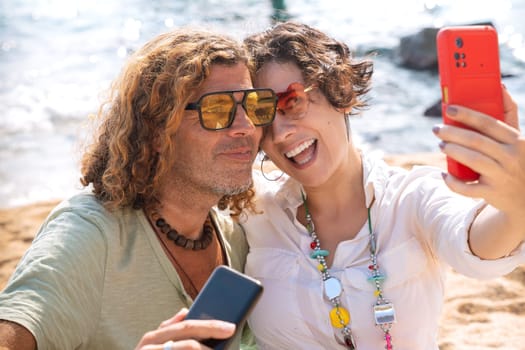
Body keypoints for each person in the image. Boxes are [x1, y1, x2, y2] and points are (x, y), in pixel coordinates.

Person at [241, 21, 525, 350]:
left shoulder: (411, 196)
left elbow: (477, 243)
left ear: (340, 92)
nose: (280, 133)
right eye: (261, 115)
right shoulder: (251, 211)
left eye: (292, 102)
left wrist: (515, 204)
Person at [0, 27, 278, 350]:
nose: (246, 127)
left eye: (255, 105)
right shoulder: (90, 235)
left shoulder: (234, 238)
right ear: (157, 131)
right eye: (217, 110)